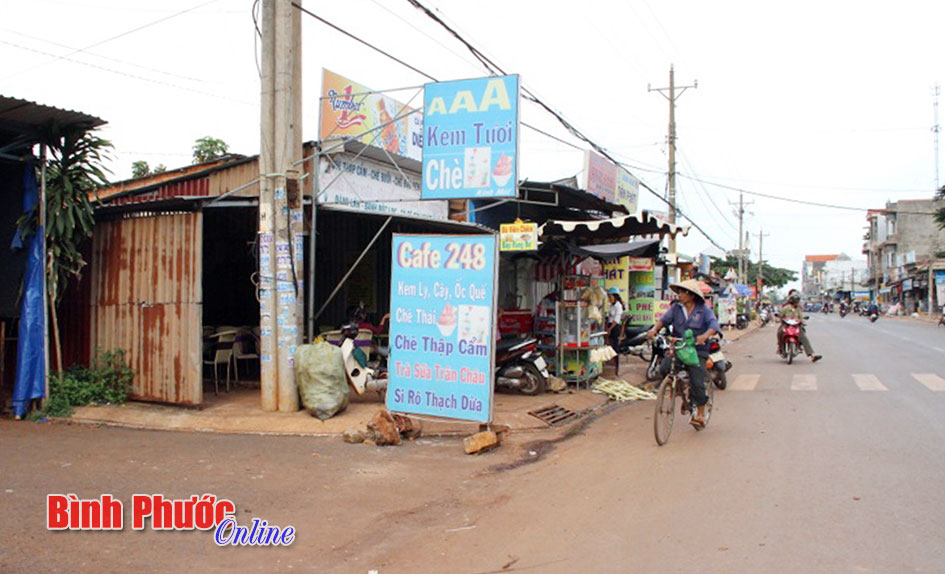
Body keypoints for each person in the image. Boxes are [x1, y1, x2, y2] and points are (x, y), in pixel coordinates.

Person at [645, 279, 719, 428]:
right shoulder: (676, 309)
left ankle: (699, 412)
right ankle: (679, 389)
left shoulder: (704, 310)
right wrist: (654, 330)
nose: (679, 295)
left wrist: (704, 336)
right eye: (678, 292)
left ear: (691, 295)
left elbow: (713, 325)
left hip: (698, 350)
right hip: (679, 347)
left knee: (697, 380)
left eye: (682, 292)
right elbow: (663, 321)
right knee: (665, 367)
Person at [777, 292, 822, 362]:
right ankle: (780, 348)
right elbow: (781, 316)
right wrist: (778, 319)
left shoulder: (798, 309)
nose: (796, 303)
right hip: (786, 325)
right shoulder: (785, 308)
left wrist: (803, 321)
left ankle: (812, 355)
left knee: (803, 336)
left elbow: (801, 317)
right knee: (780, 332)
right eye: (795, 301)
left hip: (796, 326)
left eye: (797, 301)